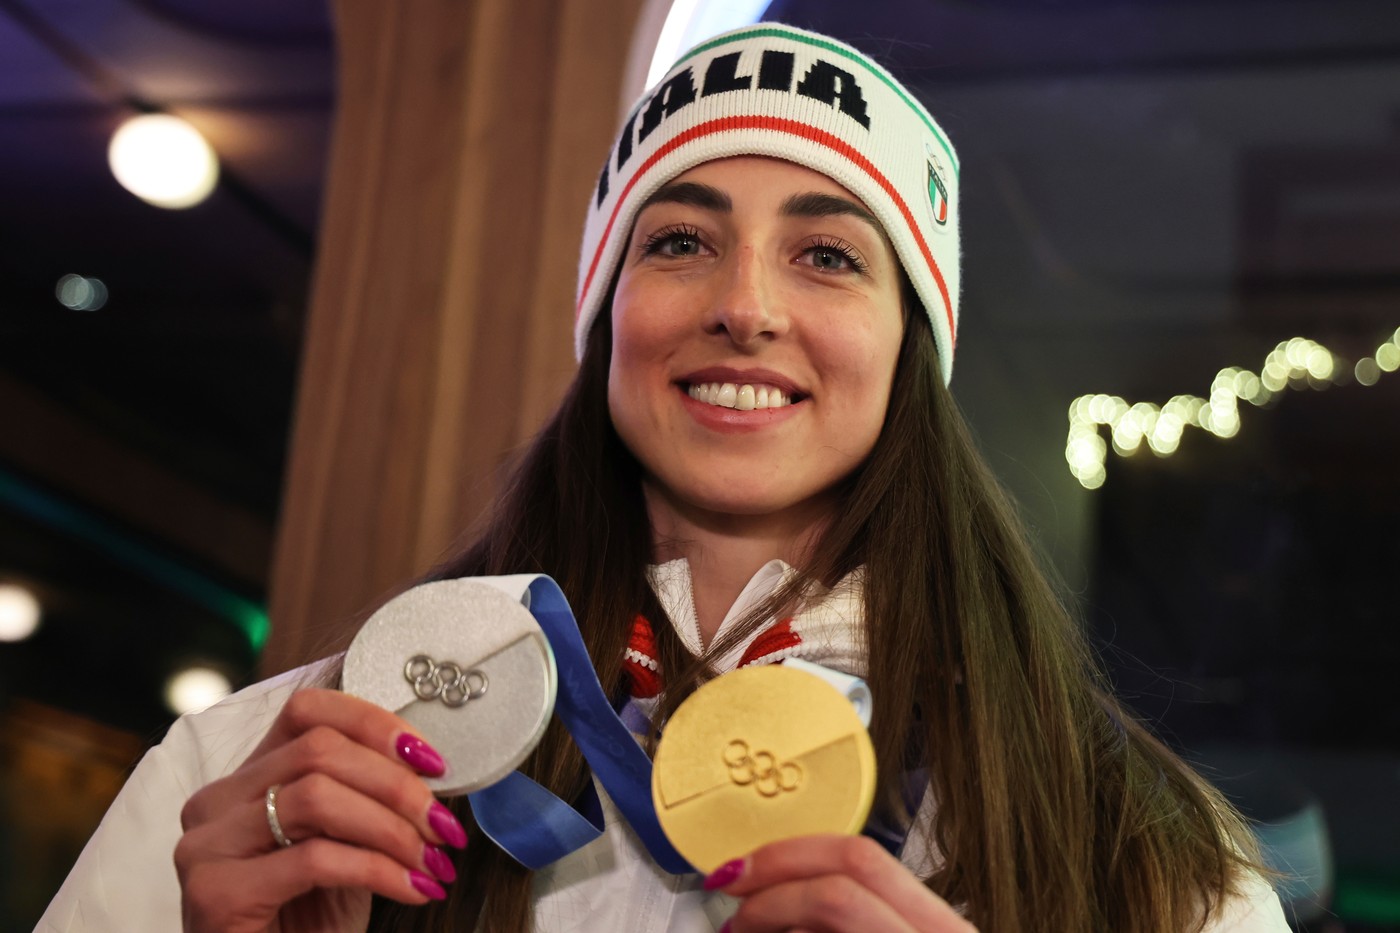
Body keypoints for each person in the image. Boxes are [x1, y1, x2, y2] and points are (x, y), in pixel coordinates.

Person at [39, 22, 1290, 933]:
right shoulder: (270, 768)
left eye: (826, 255)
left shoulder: (1144, 853)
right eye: (681, 240)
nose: (745, 306)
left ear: (909, 346)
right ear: (606, 320)